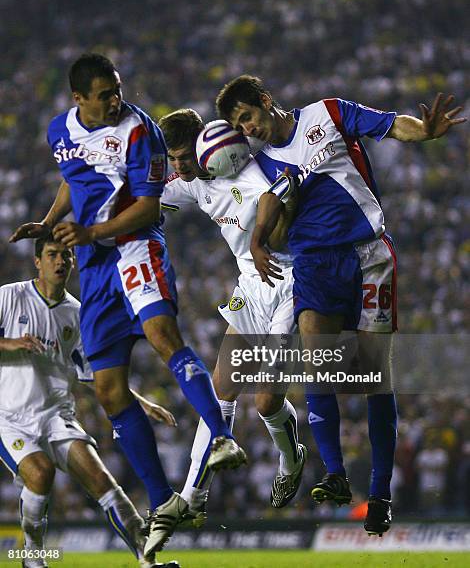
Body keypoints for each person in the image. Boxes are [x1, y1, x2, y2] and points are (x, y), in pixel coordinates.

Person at [9, 53, 246, 557]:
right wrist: (51, 223)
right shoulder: (59, 131)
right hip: (94, 270)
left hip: (135, 246)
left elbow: (149, 205)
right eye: (104, 94)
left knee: (164, 337)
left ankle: (221, 437)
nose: (115, 99)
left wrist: (90, 229)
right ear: (79, 101)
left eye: (117, 89)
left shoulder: (140, 131)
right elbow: (74, 180)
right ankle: (162, 499)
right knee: (109, 390)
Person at [216, 76, 466, 536]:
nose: (247, 128)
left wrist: (425, 132)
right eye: (238, 125)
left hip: (370, 253)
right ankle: (333, 473)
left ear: (266, 102)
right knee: (318, 363)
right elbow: (274, 227)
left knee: (375, 376)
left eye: (247, 116)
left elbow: (392, 125)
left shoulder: (327, 113)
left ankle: (380, 493)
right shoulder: (259, 168)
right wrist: (258, 241)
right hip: (314, 262)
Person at [158, 108, 306, 521]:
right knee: (220, 391)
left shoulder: (243, 166)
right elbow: (151, 196)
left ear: (205, 147)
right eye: (173, 159)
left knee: (265, 401)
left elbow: (276, 191)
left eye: (185, 157)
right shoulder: (192, 183)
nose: (179, 166)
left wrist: (261, 236)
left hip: (291, 280)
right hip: (250, 287)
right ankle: (192, 495)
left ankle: (291, 460)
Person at [0, 237, 179, 568]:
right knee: (40, 474)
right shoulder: (9, 296)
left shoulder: (78, 313)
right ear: (37, 261)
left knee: (103, 481)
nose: (60, 261)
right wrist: (9, 343)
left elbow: (93, 375)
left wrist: (141, 403)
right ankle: (33, 559)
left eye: (66, 255)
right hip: (9, 416)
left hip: (57, 416)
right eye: (52, 255)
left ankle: (148, 559)